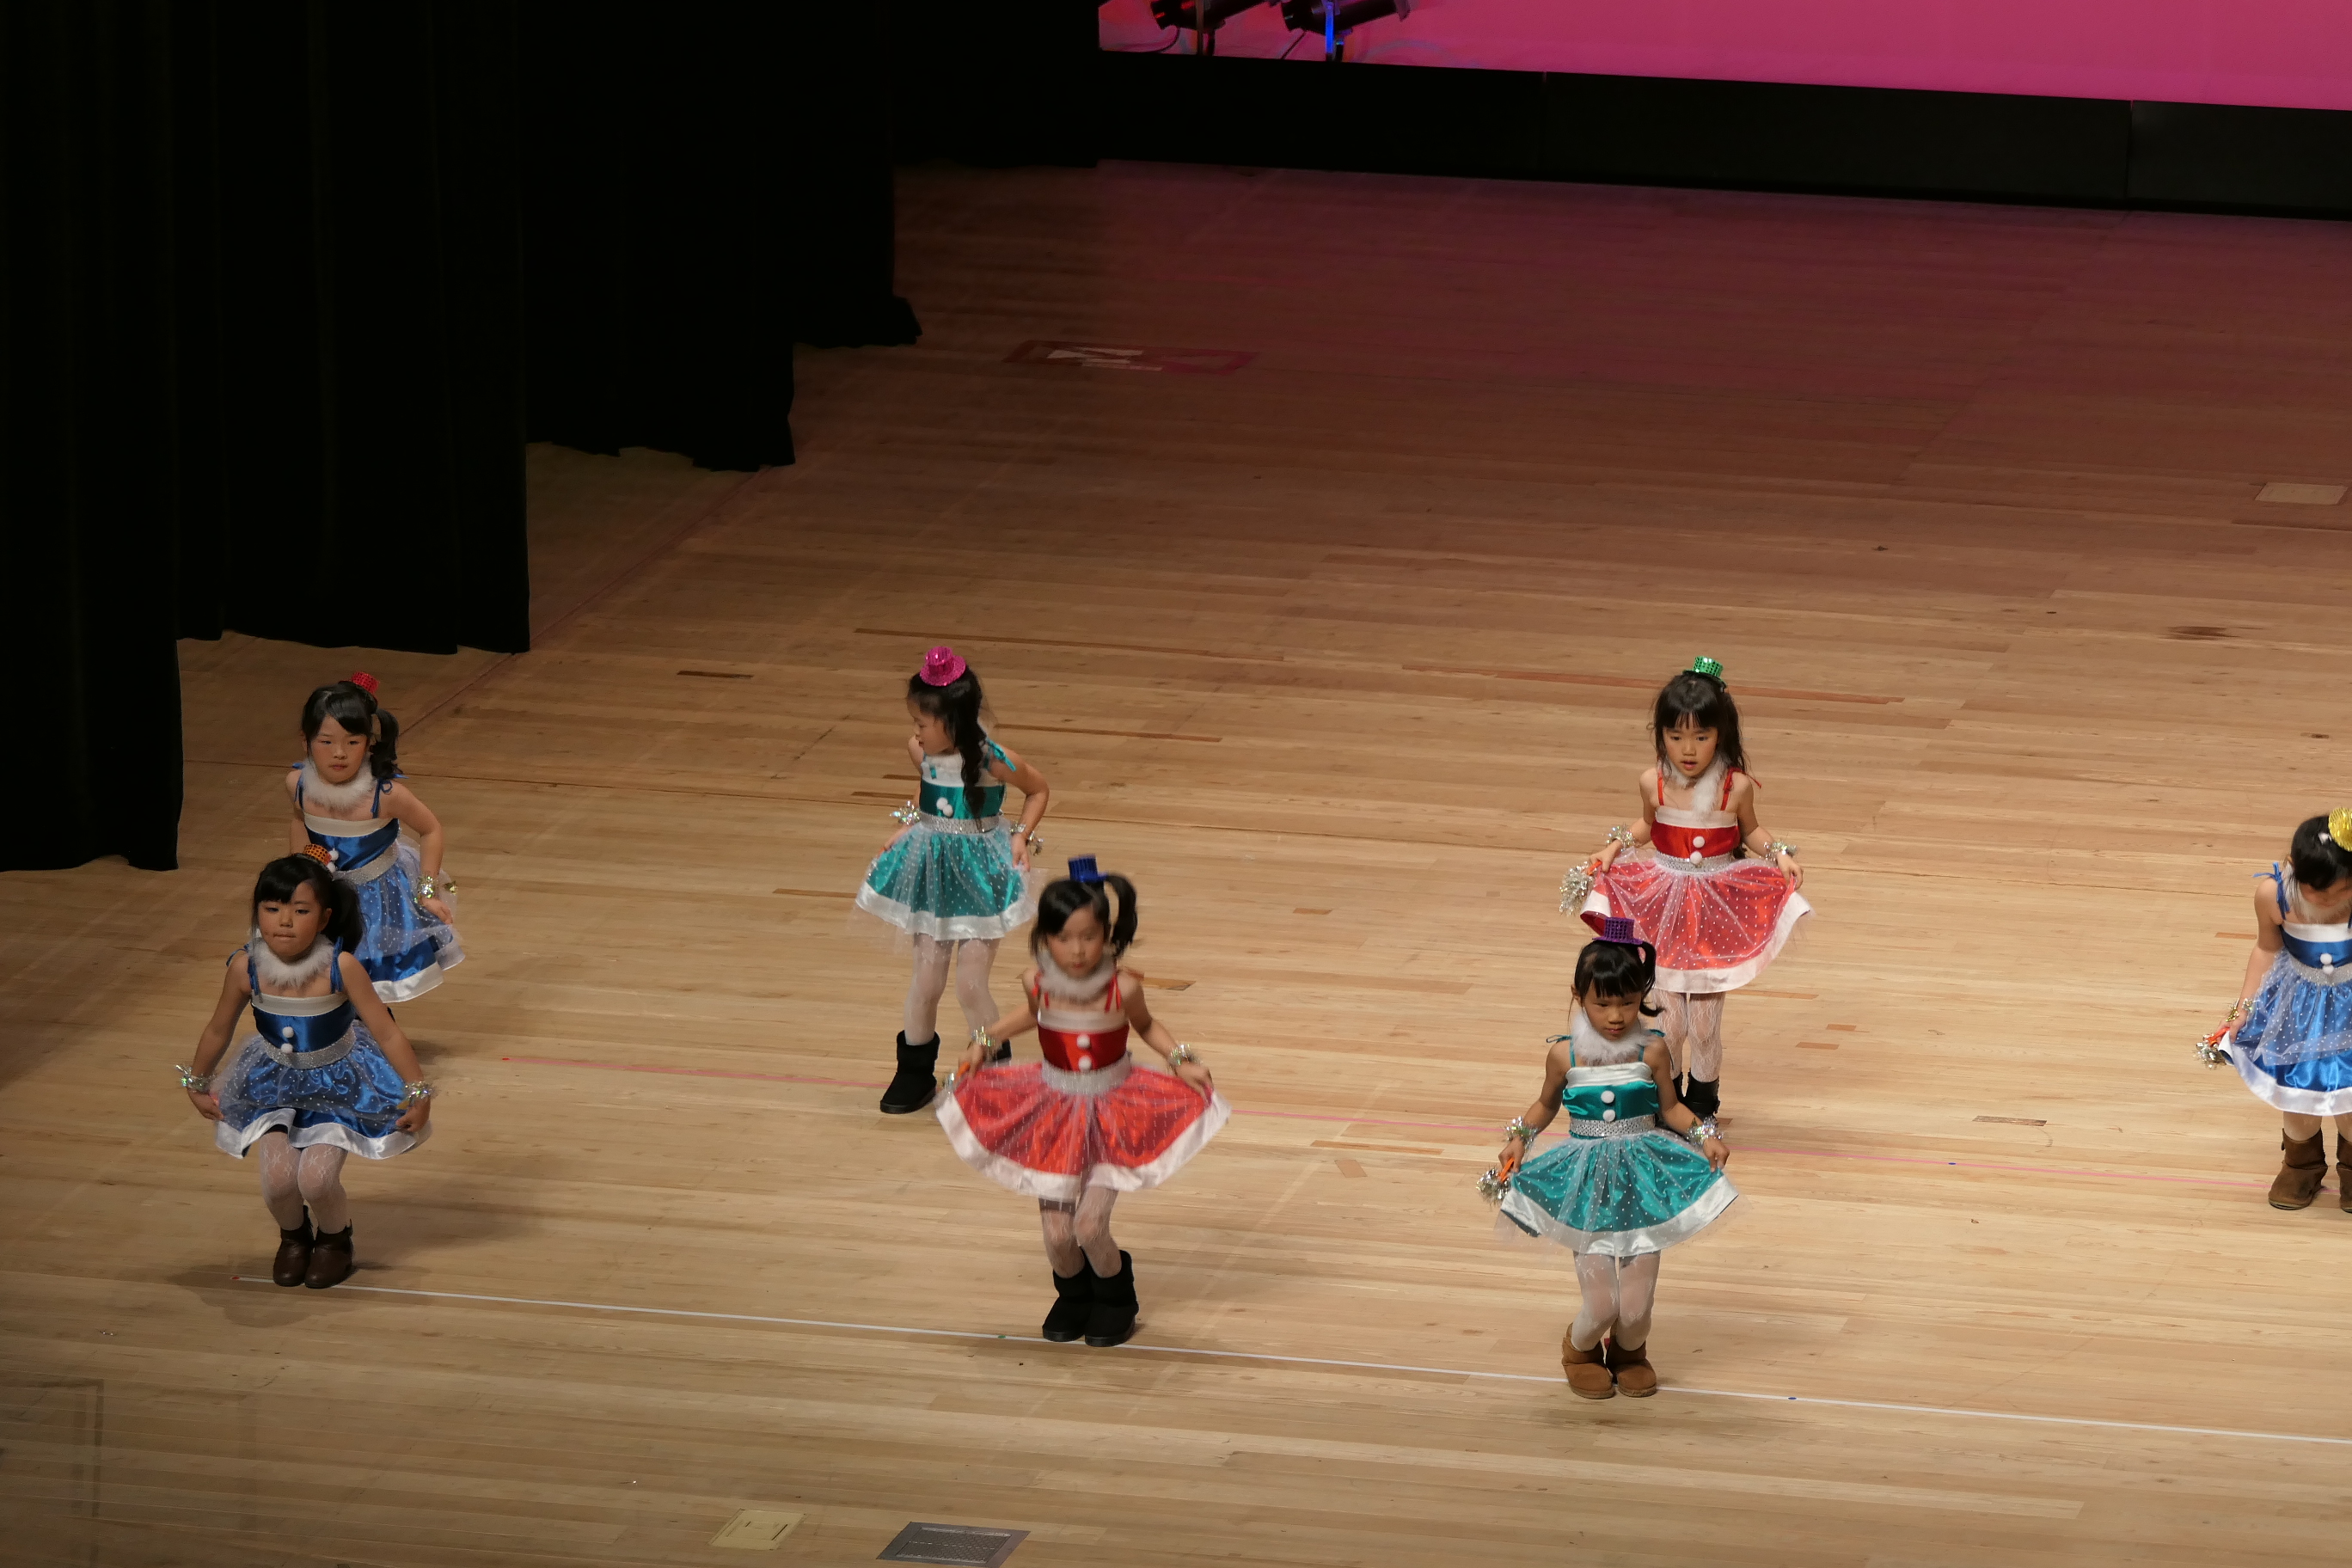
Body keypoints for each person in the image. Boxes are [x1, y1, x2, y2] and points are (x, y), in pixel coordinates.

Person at [939, 859, 1228, 1348]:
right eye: (1064, 938)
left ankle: (1116, 1298)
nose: (1077, 950)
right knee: (1057, 1234)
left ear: (1107, 936)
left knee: (1090, 1225)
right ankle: (1073, 1296)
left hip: (1114, 1112)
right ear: (1044, 939)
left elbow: (1146, 1025)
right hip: (1053, 1111)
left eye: (1089, 937)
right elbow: (1031, 1015)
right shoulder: (1036, 983)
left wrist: (1181, 1060)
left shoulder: (1123, 988)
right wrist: (983, 1041)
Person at [1484, 921, 1734, 1400]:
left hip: (1644, 1182)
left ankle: (1628, 1352)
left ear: (1643, 996)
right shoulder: (1564, 1056)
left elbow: (1671, 1108)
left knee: (1636, 1311)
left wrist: (1704, 1135)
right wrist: (1519, 1139)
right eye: (1602, 1004)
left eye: (1628, 1002)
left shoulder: (1654, 1050)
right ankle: (1579, 1351)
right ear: (1578, 996)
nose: (1616, 1016)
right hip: (1587, 1188)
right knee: (1602, 1306)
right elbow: (1545, 1105)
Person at [1563, 656, 1809, 1120]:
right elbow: (1645, 825)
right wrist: (1612, 848)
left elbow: (1751, 831)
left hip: (1715, 911)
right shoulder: (1652, 782)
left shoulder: (1735, 787)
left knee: (1705, 1026)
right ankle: (1668, 1101)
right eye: (1675, 737)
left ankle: (1704, 1103)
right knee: (1671, 1025)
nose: (1688, 749)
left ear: (1721, 735)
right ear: (1661, 736)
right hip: (1665, 910)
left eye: (1701, 736)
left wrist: (1779, 854)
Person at [178, 850, 435, 1289]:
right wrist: (197, 1082)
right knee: (279, 1182)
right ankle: (294, 1238)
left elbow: (387, 1032)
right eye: (272, 908)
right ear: (257, 912)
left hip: (339, 1084)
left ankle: (335, 1240)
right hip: (270, 1083)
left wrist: (419, 1092)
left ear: (324, 918)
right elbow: (219, 1027)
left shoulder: (341, 967)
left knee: (316, 1181)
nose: (284, 921)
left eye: (300, 910)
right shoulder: (245, 967)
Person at [857, 646, 1050, 1114]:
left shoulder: (993, 760)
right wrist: (910, 823)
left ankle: (996, 1072)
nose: (915, 732)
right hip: (933, 873)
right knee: (926, 980)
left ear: (953, 722)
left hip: (981, 877)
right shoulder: (920, 751)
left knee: (970, 984)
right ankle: (913, 1071)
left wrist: (1021, 836)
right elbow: (928, 791)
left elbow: (1038, 790)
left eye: (922, 723)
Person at [2208, 812, 2352, 1210]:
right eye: (2317, 891)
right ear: (2294, 868)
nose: (2328, 899)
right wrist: (2242, 1010)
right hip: (2296, 1008)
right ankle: (2301, 1166)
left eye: (2342, 890)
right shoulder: (2272, 896)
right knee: (2296, 1096)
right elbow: (2266, 949)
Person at [287, 673, 462, 1002]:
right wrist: (300, 874)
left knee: (369, 984)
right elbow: (299, 820)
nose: (339, 753)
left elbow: (431, 829)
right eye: (326, 742)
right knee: (325, 979)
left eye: (352, 742)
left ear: (369, 743)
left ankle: (371, 1028)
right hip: (326, 896)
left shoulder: (386, 795)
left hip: (380, 903)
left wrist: (427, 892)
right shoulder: (298, 785)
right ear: (305, 741)